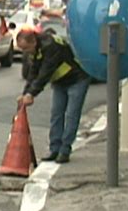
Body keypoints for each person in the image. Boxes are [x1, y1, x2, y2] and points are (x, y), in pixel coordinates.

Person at [17, 26, 91, 163]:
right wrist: (26, 93)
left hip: (77, 79)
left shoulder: (50, 46)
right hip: (60, 81)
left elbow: (45, 73)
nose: (25, 53)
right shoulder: (36, 48)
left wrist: (32, 94)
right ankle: (54, 149)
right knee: (56, 114)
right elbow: (33, 71)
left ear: (33, 42)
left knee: (71, 115)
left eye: (26, 49)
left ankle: (65, 150)